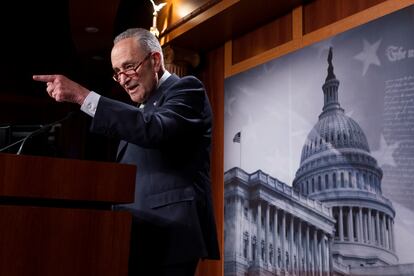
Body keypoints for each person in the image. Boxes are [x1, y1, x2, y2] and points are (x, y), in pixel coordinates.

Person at [33, 27, 220, 275]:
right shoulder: (141, 108)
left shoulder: (186, 89)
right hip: (135, 236)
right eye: (117, 72)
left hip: (170, 238)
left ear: (155, 60)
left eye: (129, 67)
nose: (123, 79)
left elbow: (153, 130)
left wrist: (83, 96)